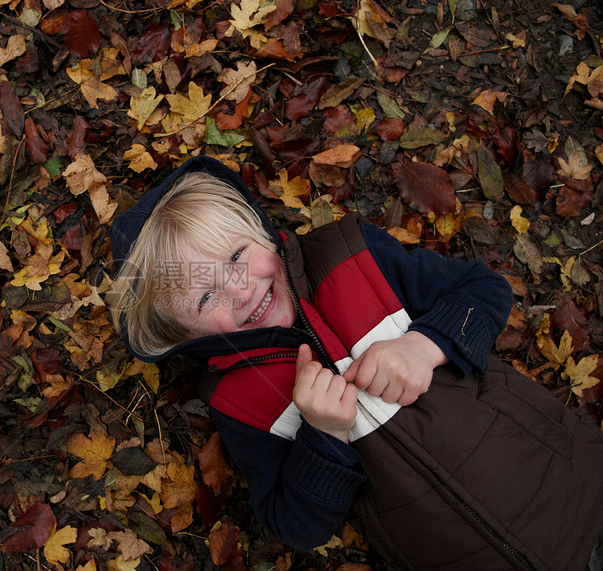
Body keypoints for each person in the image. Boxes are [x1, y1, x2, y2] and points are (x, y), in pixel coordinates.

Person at [106, 156, 603, 570]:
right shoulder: (238, 400)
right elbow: (293, 524)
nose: (239, 290)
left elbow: (483, 290)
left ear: (260, 230)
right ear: (184, 336)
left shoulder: (351, 256)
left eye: (237, 256)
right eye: (206, 294)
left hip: (574, 481)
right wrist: (323, 436)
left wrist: (423, 346)